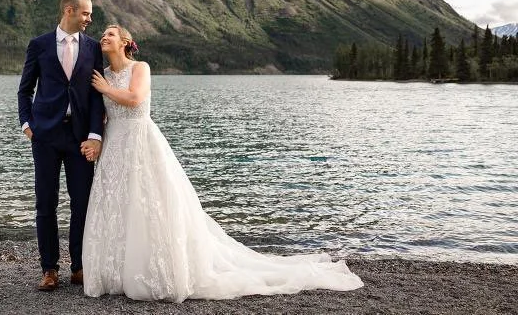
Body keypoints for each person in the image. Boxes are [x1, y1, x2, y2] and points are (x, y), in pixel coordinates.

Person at [82, 25, 364, 302]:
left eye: (110, 34)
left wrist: (106, 89)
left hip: (141, 140)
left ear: (125, 42)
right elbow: (101, 114)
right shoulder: (102, 75)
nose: (103, 37)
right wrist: (95, 138)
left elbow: (134, 98)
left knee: (149, 203)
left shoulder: (139, 68)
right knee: (119, 203)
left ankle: (153, 271)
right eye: (103, 34)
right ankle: (117, 271)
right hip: (115, 144)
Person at [17, 0, 105, 291]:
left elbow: (96, 95)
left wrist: (95, 134)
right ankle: (49, 269)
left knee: (82, 203)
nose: (90, 19)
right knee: (46, 204)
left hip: (80, 137)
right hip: (45, 136)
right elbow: (24, 89)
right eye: (86, 13)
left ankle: (79, 266)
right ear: (69, 10)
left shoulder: (93, 48)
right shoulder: (39, 45)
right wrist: (27, 124)